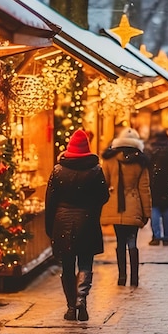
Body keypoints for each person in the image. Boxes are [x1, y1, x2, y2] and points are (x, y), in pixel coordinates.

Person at [45, 129, 110, 321]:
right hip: (87, 221)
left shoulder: (58, 170)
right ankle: (81, 299)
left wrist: (50, 227)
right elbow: (103, 196)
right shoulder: (95, 170)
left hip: (62, 222)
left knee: (67, 265)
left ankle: (71, 307)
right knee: (85, 263)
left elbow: (50, 201)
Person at [101, 127, 151, 287]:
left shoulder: (109, 160)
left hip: (115, 206)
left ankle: (122, 277)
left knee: (120, 241)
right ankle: (134, 279)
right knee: (132, 242)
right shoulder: (141, 162)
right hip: (134, 206)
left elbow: (103, 184)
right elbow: (144, 188)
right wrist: (147, 212)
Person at [144, 131, 168, 246]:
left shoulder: (150, 150)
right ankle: (167, 236)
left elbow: (146, 166)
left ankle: (156, 236)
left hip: (153, 183)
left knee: (154, 208)